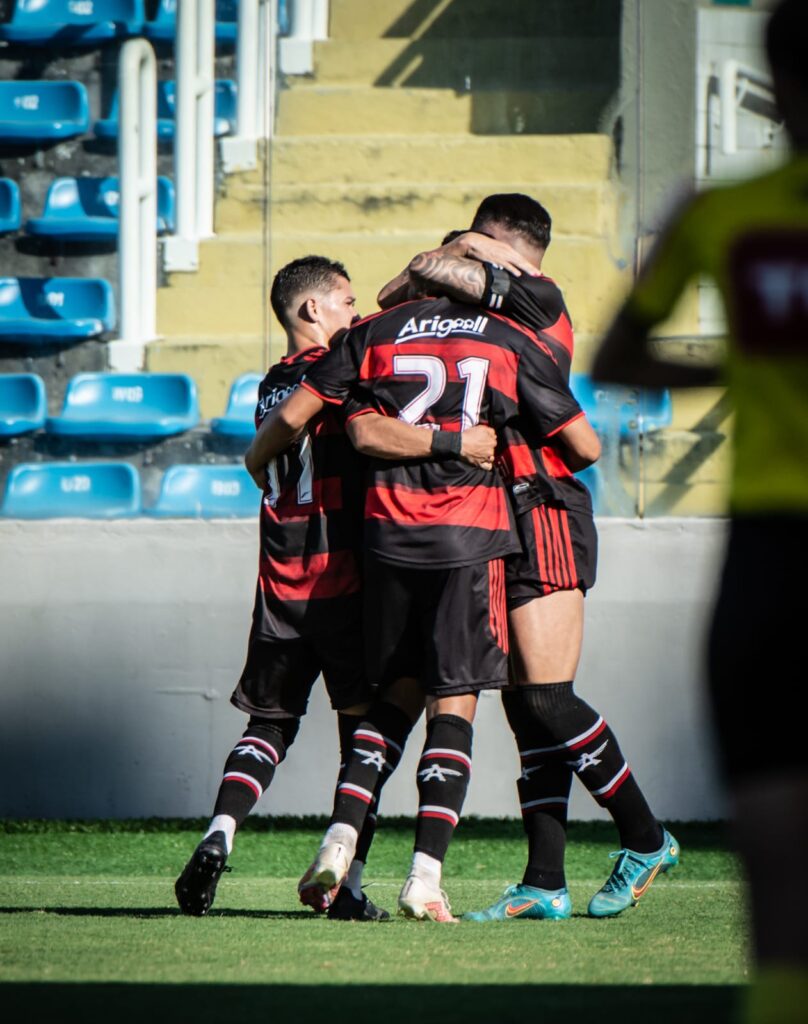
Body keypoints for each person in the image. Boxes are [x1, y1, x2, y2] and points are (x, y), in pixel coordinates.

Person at [246, 291, 600, 922]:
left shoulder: (372, 335)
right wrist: (468, 440)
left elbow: (345, 426)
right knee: (455, 705)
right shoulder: (500, 335)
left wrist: (255, 456)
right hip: (470, 538)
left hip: (387, 543)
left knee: (393, 703)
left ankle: (340, 838)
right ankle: (424, 878)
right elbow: (585, 447)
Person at [376, 195, 678, 920]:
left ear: (499, 248)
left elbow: (422, 271)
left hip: (541, 505)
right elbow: (397, 294)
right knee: (522, 706)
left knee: (547, 694)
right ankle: (545, 880)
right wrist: (442, 266)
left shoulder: (539, 298)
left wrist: (446, 260)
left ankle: (647, 835)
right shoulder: (479, 315)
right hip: (486, 516)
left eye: (472, 247)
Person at [592, 1, 807, 1018]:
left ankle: (774, 995)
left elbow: (616, 356)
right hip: (765, 534)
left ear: (775, 83)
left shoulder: (717, 213)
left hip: (768, 543)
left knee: (769, 795)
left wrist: (741, 357)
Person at [175, 256, 495, 922]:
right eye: (344, 302)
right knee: (365, 739)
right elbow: (354, 419)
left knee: (269, 723)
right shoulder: (338, 371)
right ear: (311, 311)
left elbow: (272, 440)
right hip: (344, 578)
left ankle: (221, 830)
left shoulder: (267, 385)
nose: (355, 312)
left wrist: (252, 459)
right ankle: (347, 886)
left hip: (278, 580)